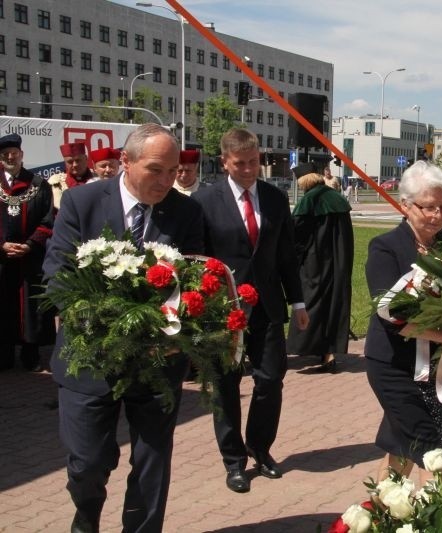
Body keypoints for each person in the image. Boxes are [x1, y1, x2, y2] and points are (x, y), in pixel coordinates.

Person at [42, 123, 205, 533]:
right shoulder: (82, 203)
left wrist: (178, 327)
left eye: (172, 171)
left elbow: (199, 281)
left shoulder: (187, 213)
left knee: (152, 463)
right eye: (156, 170)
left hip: (158, 362)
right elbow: (57, 274)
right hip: (90, 359)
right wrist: (100, 321)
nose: (167, 181)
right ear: (124, 162)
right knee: (88, 463)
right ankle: (86, 516)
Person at [192, 128, 309, 494]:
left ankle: (260, 448)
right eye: (240, 163)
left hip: (268, 307)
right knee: (226, 387)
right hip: (223, 310)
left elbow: (287, 256)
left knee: (270, 380)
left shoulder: (275, 199)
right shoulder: (205, 201)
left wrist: (299, 301)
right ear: (225, 161)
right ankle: (234, 462)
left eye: (253, 162)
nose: (247, 170)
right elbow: (195, 259)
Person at [365, 160, 442, 484]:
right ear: (405, 205)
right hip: (394, 366)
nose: (436, 216)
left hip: (435, 369)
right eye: (428, 207)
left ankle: (376, 515)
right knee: (434, 451)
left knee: (401, 450)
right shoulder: (385, 248)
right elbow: (391, 317)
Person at [287, 162, 354, 373]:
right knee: (335, 303)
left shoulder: (309, 201)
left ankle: (310, 347)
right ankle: (329, 352)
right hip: (339, 261)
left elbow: (296, 237)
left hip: (315, 263)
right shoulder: (337, 198)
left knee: (312, 302)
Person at [0, 133, 54, 372]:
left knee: (31, 308)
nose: (10, 157)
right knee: (4, 305)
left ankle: (30, 355)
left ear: (22, 155)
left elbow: (47, 219)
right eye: (5, 154)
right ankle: (4, 355)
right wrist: (2, 245)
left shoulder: (38, 184)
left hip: (30, 257)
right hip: (1, 258)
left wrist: (30, 244)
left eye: (14, 153)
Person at [48, 142, 97, 210]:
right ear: (65, 163)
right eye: (70, 162)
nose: (75, 165)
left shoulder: (98, 179)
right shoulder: (57, 183)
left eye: (78, 160)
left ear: (86, 159)